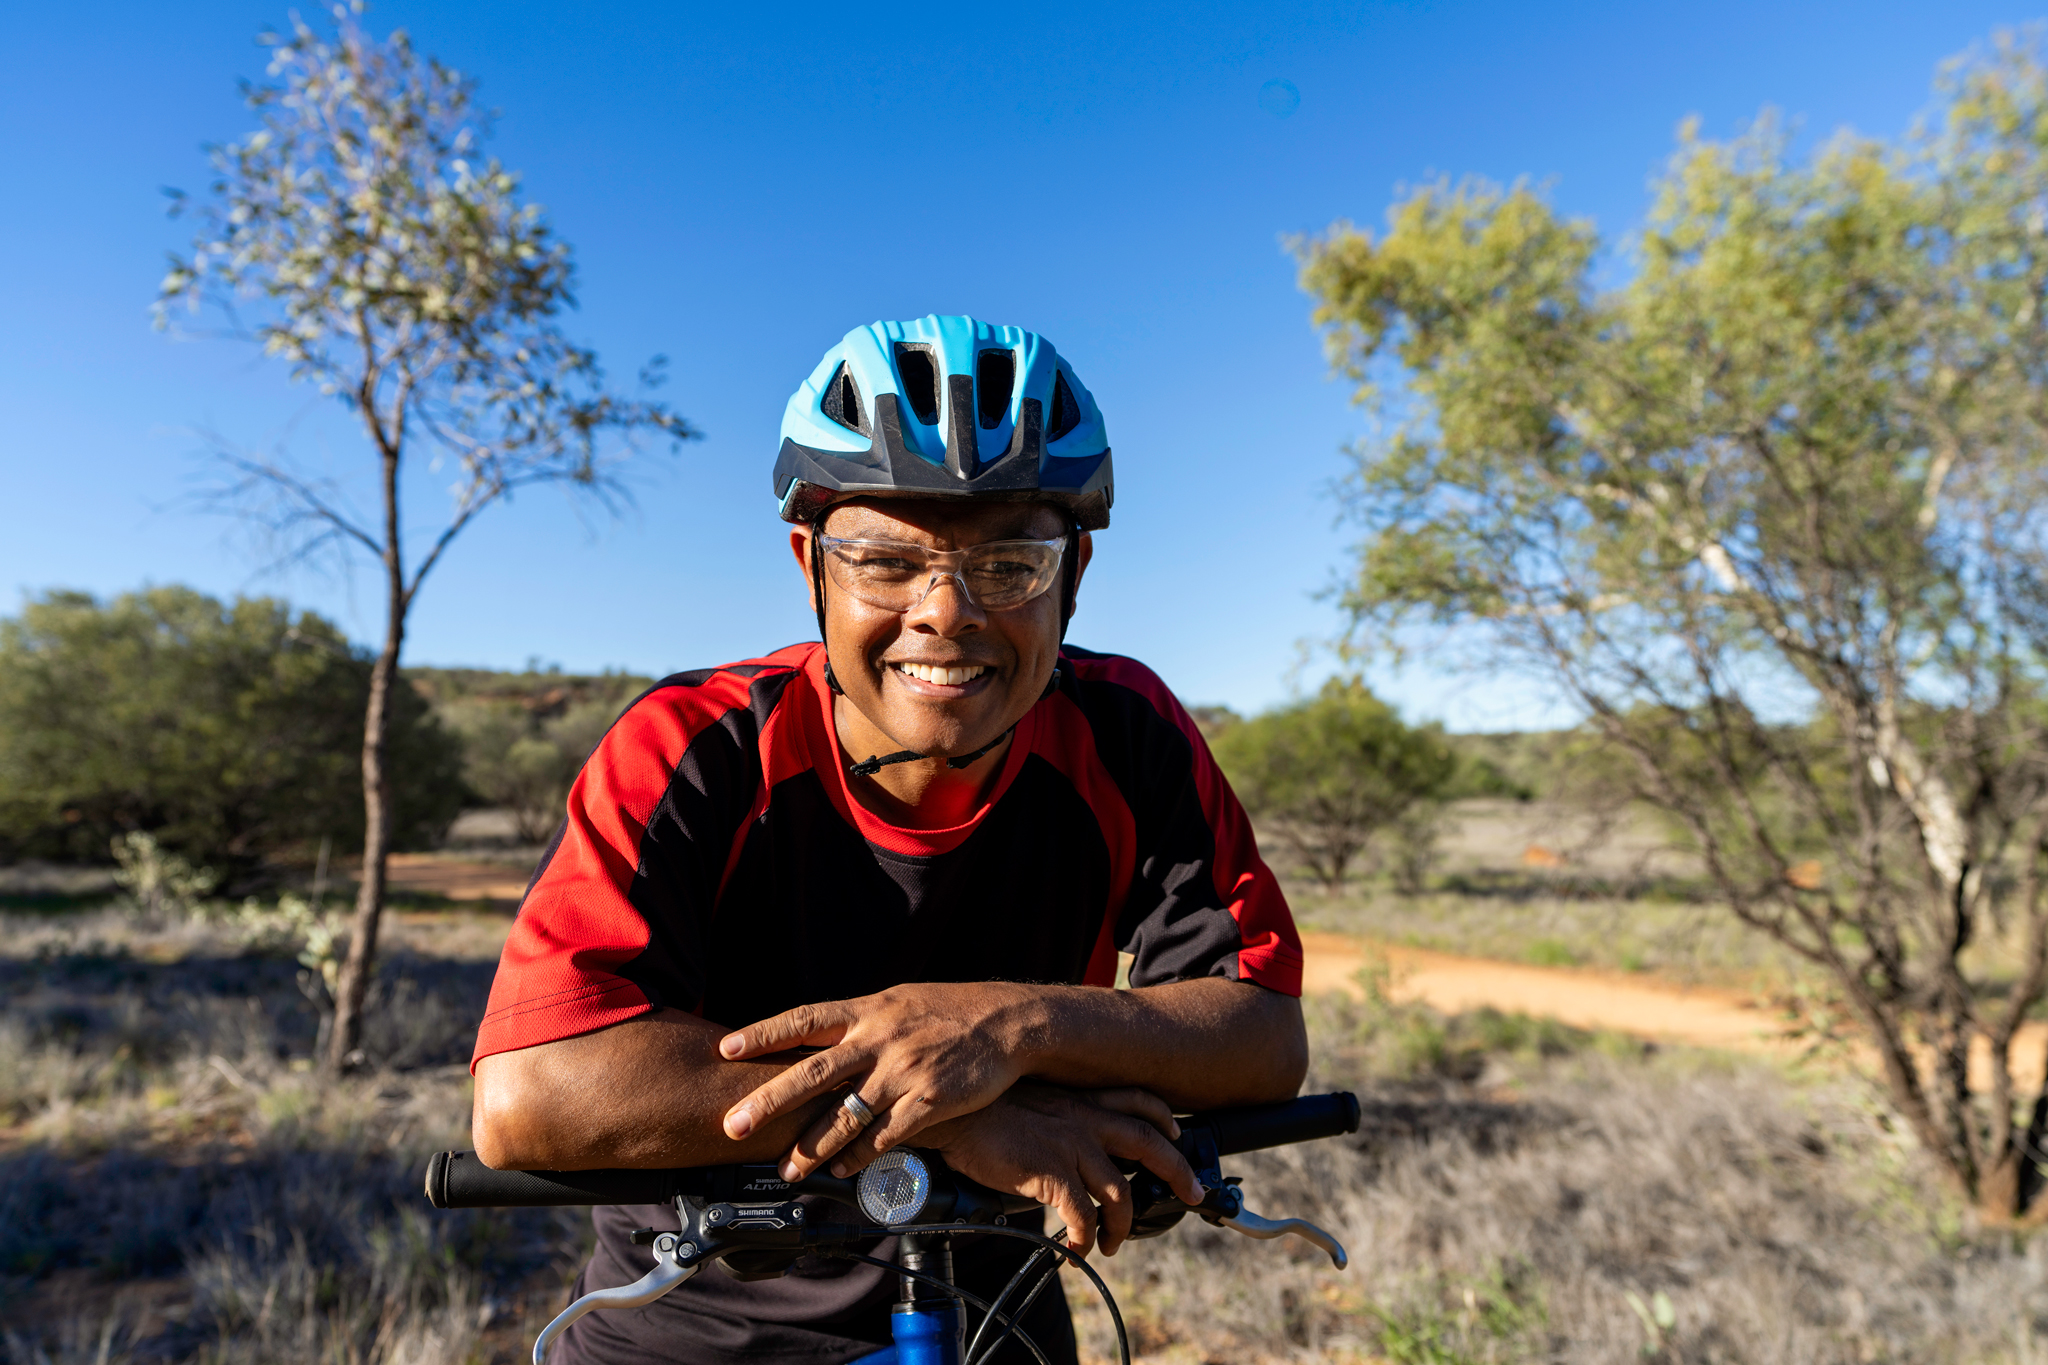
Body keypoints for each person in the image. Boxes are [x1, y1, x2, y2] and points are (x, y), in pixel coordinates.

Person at [468, 314, 1307, 1365]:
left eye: (1009, 563)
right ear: (809, 565)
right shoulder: (694, 745)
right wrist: (937, 1108)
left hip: (997, 1308)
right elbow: (529, 1095)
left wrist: (1008, 1027)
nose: (945, 612)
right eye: (882, 562)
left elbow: (1262, 1035)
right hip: (692, 1322)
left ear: (1074, 573)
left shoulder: (1125, 731)